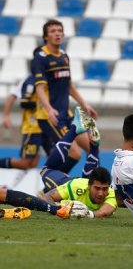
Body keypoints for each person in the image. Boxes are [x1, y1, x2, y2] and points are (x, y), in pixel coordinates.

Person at [0, 107, 117, 219]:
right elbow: (48, 197)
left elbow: (106, 211)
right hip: (68, 183)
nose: (101, 193)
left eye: (104, 189)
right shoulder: (76, 187)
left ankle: (82, 136)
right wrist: (59, 208)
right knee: (50, 169)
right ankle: (87, 141)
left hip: (52, 115)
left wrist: (89, 214)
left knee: (82, 172)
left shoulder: (109, 192)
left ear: (108, 188)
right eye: (98, 188)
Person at [31, 19, 98, 173]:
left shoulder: (64, 56)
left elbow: (69, 85)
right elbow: (40, 89)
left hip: (66, 114)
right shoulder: (41, 58)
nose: (58, 34)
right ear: (46, 37)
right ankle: (49, 184)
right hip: (50, 117)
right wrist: (49, 109)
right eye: (53, 31)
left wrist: (84, 104)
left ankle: (89, 187)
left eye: (60, 31)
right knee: (74, 153)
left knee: (92, 146)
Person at [0, 76, 53, 171]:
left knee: (37, 162)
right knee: (26, 163)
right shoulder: (29, 80)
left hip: (48, 128)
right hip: (33, 128)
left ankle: (53, 184)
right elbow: (12, 96)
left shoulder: (52, 79)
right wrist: (6, 116)